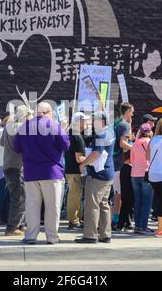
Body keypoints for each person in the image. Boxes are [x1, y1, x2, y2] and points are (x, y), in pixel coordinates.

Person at [13, 102, 70, 245]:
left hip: (31, 172)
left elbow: (16, 147)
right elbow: (65, 145)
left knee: (32, 206)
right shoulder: (54, 125)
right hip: (51, 172)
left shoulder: (24, 126)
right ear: (48, 112)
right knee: (53, 206)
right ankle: (52, 237)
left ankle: (31, 236)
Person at [75, 111, 115, 244]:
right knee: (104, 205)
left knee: (92, 205)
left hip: (98, 174)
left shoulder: (101, 135)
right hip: (108, 173)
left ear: (101, 121)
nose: (91, 124)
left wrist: (83, 164)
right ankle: (105, 234)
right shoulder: (109, 132)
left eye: (94, 121)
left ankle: (90, 235)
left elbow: (96, 154)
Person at [1, 105, 33, 236]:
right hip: (17, 166)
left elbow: (2, 143)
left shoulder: (8, 126)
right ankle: (12, 227)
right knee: (19, 198)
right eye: (29, 116)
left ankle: (20, 224)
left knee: (18, 197)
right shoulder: (22, 128)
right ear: (24, 116)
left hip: (8, 164)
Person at [65, 112, 89, 231]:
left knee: (75, 195)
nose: (86, 123)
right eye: (84, 121)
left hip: (70, 170)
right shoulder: (77, 136)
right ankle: (73, 221)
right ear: (79, 122)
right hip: (75, 171)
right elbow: (79, 158)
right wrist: (92, 159)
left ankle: (76, 220)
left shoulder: (70, 133)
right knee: (75, 196)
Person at [112, 103, 134, 230]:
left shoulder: (117, 122)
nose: (133, 114)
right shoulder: (125, 124)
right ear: (126, 112)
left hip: (114, 162)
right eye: (131, 112)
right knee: (120, 194)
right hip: (120, 163)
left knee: (117, 193)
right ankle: (117, 220)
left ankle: (117, 219)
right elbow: (122, 143)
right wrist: (136, 147)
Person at [130, 123, 154, 235]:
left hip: (134, 174)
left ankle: (137, 226)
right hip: (146, 173)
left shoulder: (135, 143)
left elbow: (132, 160)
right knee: (146, 202)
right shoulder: (150, 142)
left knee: (137, 201)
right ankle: (143, 226)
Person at [117, 151, 134, 231]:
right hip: (129, 191)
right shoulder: (129, 168)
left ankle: (121, 224)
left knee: (124, 206)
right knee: (128, 207)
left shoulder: (123, 167)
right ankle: (127, 223)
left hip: (124, 191)